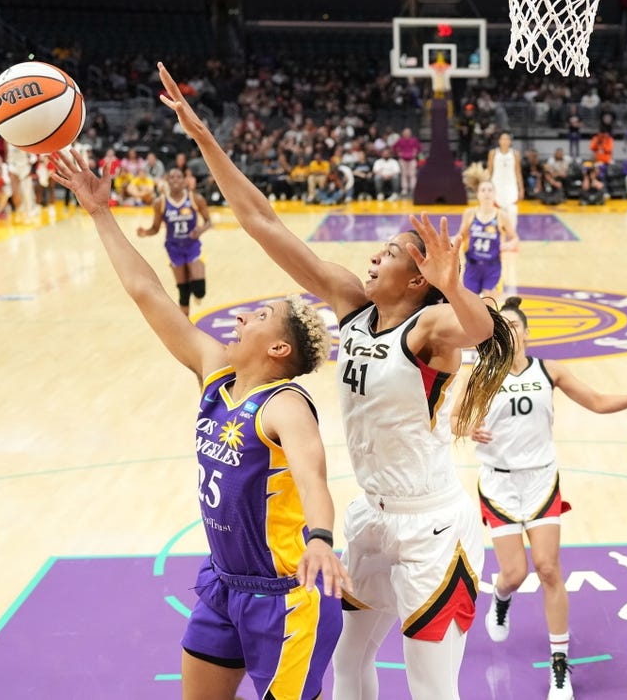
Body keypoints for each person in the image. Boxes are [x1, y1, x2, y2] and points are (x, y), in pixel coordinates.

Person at [156, 62, 517, 700]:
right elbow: (263, 223)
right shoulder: (353, 304)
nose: (374, 255)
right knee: (346, 666)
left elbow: (487, 331)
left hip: (433, 525)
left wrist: (455, 281)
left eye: (391, 254)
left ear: (416, 279)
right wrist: (204, 137)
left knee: (432, 686)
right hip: (370, 517)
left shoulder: (431, 327)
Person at [49, 148, 348, 700]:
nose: (240, 316)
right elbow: (148, 293)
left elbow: (313, 478)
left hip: (286, 596)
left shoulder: (284, 405)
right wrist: (100, 213)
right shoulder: (214, 374)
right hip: (224, 583)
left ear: (280, 347)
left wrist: (323, 539)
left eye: (257, 317)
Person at [453, 297, 627, 700]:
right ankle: (502, 597)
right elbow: (454, 419)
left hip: (541, 481)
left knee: (549, 568)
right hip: (499, 484)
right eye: (503, 325)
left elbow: (598, 402)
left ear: (527, 332)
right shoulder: (479, 372)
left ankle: (559, 666)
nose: (510, 330)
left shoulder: (547, 370)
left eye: (516, 325)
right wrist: (469, 429)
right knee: (515, 573)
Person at [137, 167, 212, 316]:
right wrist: (145, 232)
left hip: (192, 246)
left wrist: (200, 231)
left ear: (184, 181)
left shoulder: (195, 198)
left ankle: (193, 278)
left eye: (179, 177)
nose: (176, 180)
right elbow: (156, 228)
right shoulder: (160, 202)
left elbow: (209, 221)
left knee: (199, 291)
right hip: (173, 248)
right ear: (167, 181)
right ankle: (185, 329)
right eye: (172, 177)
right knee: (183, 292)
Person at [457, 180, 519, 301]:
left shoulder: (501, 215)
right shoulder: (470, 214)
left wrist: (508, 245)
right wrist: (450, 242)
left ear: (495, 194)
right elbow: (461, 235)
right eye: (483, 190)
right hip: (472, 266)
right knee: (470, 305)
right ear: (478, 194)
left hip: (492, 268)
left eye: (490, 190)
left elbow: (515, 238)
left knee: (489, 306)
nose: (487, 193)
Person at [487, 132, 524, 295]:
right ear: (499, 141)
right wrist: (486, 187)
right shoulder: (493, 153)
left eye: (507, 138)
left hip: (510, 187)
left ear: (510, 141)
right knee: (497, 214)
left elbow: (518, 172)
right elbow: (489, 171)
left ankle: (512, 240)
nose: (504, 141)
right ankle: (499, 240)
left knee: (512, 212)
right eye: (502, 138)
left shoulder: (514, 154)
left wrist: (521, 187)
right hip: (496, 185)